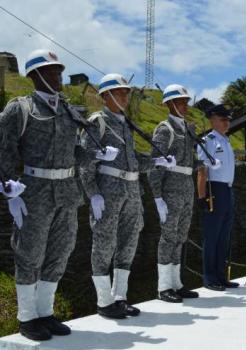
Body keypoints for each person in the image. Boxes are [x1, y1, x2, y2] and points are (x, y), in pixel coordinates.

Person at [0, 49, 118, 341]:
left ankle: (45, 313)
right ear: (34, 76)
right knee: (30, 254)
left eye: (59, 71)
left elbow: (75, 152)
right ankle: (27, 318)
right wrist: (9, 188)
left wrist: (97, 154)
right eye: (51, 71)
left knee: (60, 252)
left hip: (67, 193)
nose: (57, 76)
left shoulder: (68, 110)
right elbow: (4, 149)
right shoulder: (21, 109)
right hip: (34, 192)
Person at [80, 73, 176, 319]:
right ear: (106, 96)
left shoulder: (125, 124)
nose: (125, 95)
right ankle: (104, 301)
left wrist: (158, 161)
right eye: (120, 92)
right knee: (104, 244)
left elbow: (133, 163)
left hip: (132, 192)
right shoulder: (97, 121)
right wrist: (93, 194)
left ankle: (119, 297)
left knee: (128, 244)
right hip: (108, 192)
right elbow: (84, 160)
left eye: (126, 92)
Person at [149, 84, 200, 303]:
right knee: (168, 237)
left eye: (186, 102)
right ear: (169, 104)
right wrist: (157, 196)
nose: (184, 105)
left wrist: (204, 163)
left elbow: (188, 160)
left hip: (186, 187)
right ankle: (163, 287)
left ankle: (177, 283)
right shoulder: (165, 129)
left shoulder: (187, 129)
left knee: (181, 236)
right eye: (180, 102)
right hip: (170, 190)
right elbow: (155, 164)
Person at [197, 104, 239, 291]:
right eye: (223, 119)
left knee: (224, 236)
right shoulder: (209, 140)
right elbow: (202, 171)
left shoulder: (226, 141)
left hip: (228, 190)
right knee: (212, 236)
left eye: (228, 120)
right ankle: (209, 277)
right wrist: (202, 196)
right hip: (214, 190)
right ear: (212, 120)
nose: (226, 123)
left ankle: (221, 276)